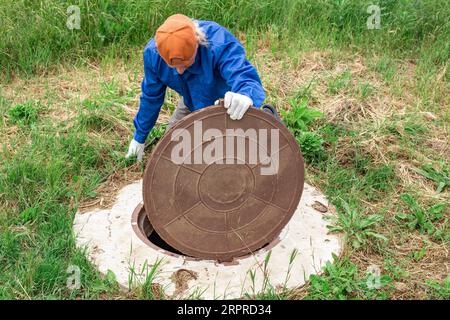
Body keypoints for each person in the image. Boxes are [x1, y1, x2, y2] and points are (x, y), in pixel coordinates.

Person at [126, 14, 278, 161]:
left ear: (198, 42)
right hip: (191, 102)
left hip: (228, 104)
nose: (179, 71)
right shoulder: (153, 55)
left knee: (239, 153)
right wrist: (139, 137)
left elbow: (242, 74)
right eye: (173, 66)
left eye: (185, 64)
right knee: (171, 151)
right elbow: (151, 98)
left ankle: (265, 116)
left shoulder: (218, 42)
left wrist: (246, 95)